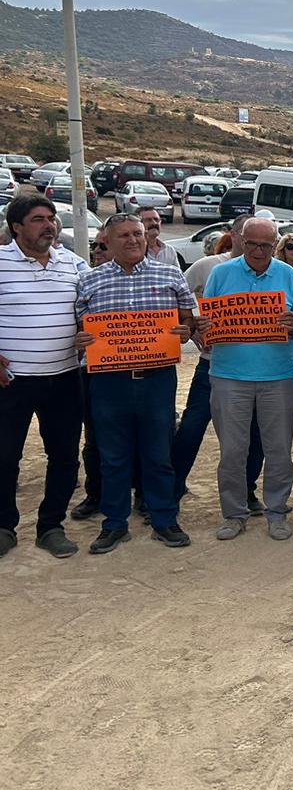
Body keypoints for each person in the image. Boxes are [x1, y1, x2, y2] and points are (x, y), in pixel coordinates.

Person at [72, 211, 198, 553]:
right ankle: (114, 524)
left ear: (146, 237)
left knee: (158, 453)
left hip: (156, 380)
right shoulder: (89, 281)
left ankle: (164, 520)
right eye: (124, 235)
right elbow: (78, 329)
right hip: (109, 382)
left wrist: (186, 330)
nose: (132, 240)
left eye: (137, 234)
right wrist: (80, 339)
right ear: (108, 242)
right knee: (113, 457)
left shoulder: (170, 273)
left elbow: (188, 318)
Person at [200, 215, 293, 541]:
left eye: (266, 245)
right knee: (233, 451)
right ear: (240, 241)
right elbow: (205, 322)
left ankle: (277, 512)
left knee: (278, 451)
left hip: (278, 377)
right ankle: (234, 514)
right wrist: (203, 327)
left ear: (274, 244)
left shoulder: (288, 274)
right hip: (228, 377)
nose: (259, 251)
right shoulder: (220, 274)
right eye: (252, 244)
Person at [0, 195, 89, 559]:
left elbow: (98, 308)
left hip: (66, 379)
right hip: (12, 382)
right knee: (5, 457)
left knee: (65, 456)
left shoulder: (74, 264)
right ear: (16, 227)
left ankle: (50, 526)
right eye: (38, 219)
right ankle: (4, 526)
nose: (49, 225)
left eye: (51, 218)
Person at [171, 217, 265, 510]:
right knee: (192, 427)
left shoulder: (273, 271)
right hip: (211, 364)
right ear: (235, 235)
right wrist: (192, 325)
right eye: (247, 238)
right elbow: (175, 298)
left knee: (253, 434)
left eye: (262, 242)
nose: (254, 246)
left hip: (254, 369)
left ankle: (247, 492)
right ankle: (171, 491)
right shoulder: (207, 266)